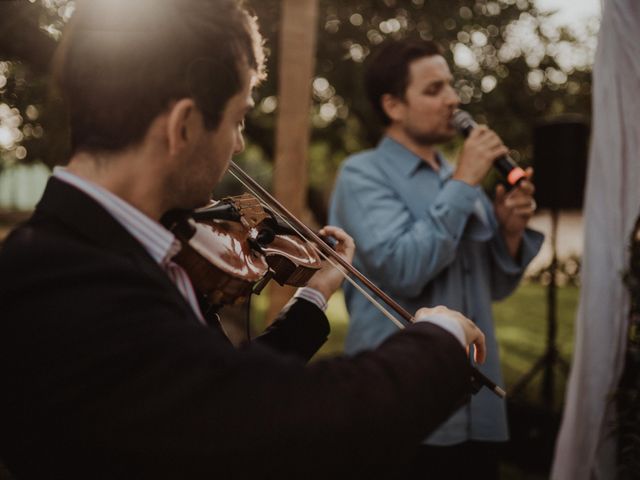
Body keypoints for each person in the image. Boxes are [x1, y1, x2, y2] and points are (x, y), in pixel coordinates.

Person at [0, 2, 488, 479]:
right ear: (184, 126)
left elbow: (216, 385)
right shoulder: (63, 283)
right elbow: (276, 424)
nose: (237, 144)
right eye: (237, 119)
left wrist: (314, 294)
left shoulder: (106, 252)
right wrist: (437, 342)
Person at [329, 38, 544, 478]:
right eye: (434, 90)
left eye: (451, 86)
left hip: (475, 399)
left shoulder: (455, 176)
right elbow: (402, 270)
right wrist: (465, 182)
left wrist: (509, 231)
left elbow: (496, 288)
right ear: (394, 105)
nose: (453, 99)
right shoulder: (362, 174)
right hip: (400, 402)